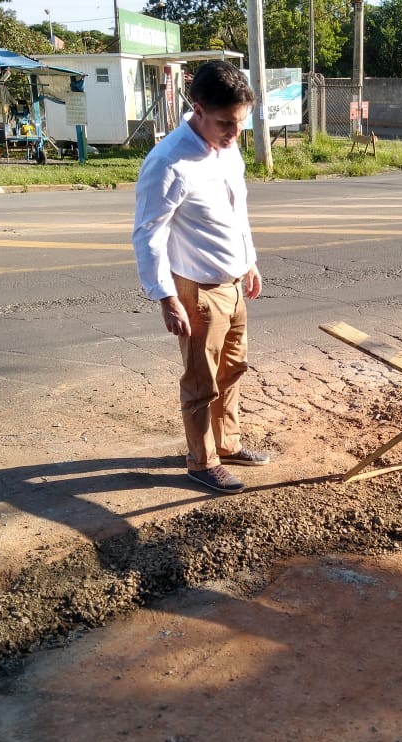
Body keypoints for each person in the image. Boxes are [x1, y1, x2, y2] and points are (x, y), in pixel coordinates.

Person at [132, 60, 269, 495]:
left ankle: (227, 444)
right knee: (200, 380)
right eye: (226, 123)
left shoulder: (228, 149)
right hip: (197, 288)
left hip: (233, 282)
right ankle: (202, 461)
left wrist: (249, 260)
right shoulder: (169, 161)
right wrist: (165, 297)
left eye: (241, 124)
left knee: (233, 369)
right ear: (198, 108)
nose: (234, 134)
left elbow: (236, 211)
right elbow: (148, 233)